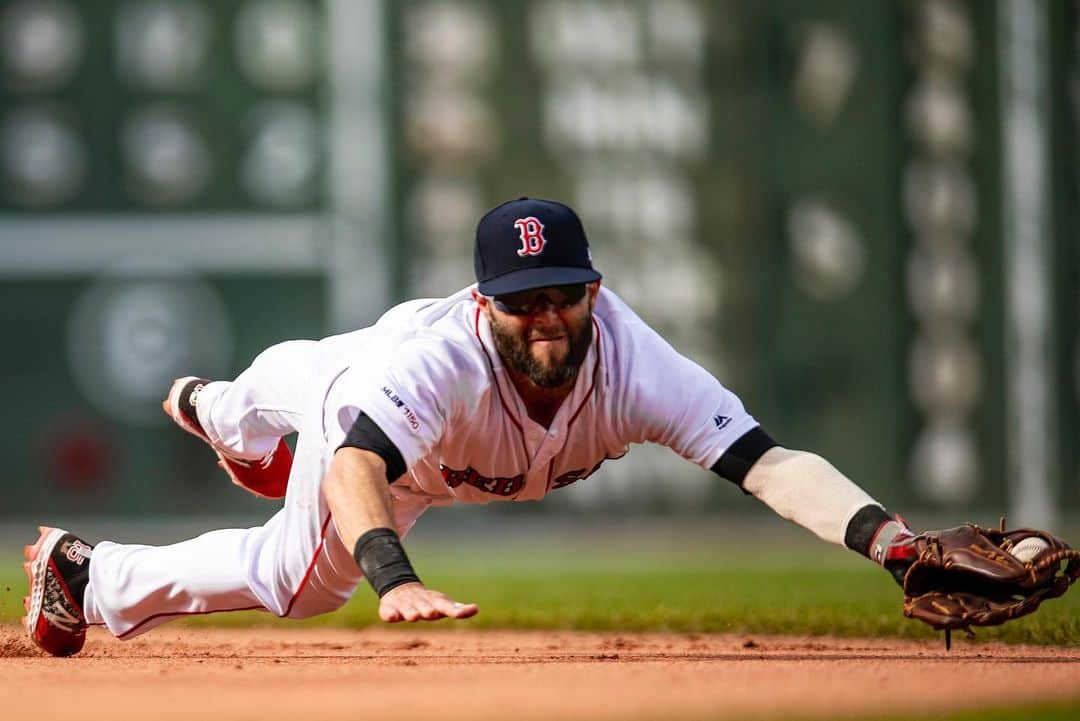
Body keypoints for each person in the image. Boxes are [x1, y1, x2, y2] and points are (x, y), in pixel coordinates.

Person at [23, 197, 916, 657]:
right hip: (376, 419)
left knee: (289, 392)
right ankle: (90, 568)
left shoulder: (635, 363)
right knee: (302, 582)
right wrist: (393, 575)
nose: (547, 317)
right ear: (485, 305)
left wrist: (895, 546)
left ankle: (223, 413)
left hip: (386, 387)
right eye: (523, 301)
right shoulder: (443, 363)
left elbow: (767, 462)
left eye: (563, 294)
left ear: (594, 292)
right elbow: (355, 465)